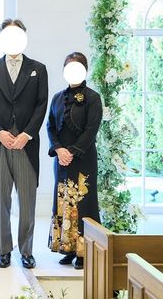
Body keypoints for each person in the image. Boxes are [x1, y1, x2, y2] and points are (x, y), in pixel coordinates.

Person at [0, 19, 48, 269]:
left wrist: (27, 134)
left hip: (26, 144)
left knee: (27, 200)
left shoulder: (38, 69)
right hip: (0, 143)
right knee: (1, 200)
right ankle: (4, 250)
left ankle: (26, 251)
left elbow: (41, 104)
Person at [47, 52, 103, 270]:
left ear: (85, 70)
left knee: (83, 203)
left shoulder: (93, 98)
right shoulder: (57, 98)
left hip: (83, 159)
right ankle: (67, 248)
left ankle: (83, 252)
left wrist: (72, 151)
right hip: (61, 160)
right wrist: (59, 150)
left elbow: (91, 129)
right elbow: (50, 126)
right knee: (63, 201)